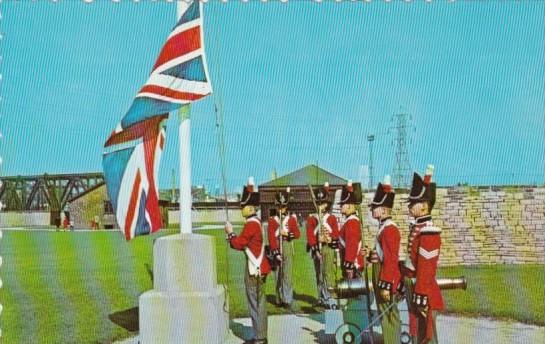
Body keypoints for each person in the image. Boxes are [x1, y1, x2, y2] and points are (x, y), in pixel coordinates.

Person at [225, 177, 271, 344]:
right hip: (259, 267)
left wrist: (230, 233)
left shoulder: (251, 224)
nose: (241, 209)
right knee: (260, 303)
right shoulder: (256, 222)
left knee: (255, 303)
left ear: (250, 208)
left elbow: (239, 243)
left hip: (254, 268)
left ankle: (259, 338)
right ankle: (261, 335)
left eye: (243, 206)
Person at [401, 165, 444, 344]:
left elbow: (426, 268)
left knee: (427, 336)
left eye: (413, 203)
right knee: (418, 333)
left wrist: (421, 293)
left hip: (425, 290)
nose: (410, 206)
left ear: (424, 206)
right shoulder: (418, 228)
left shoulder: (429, 232)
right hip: (416, 286)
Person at [368, 175, 401, 344]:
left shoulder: (389, 229)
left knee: (389, 314)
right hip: (380, 274)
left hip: (385, 276)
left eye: (375, 207)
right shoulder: (383, 228)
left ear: (384, 209)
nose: (372, 210)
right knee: (384, 313)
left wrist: (386, 285)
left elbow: (390, 260)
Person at [306, 182, 340, 308]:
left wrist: (328, 238)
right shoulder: (312, 219)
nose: (321, 206)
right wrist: (315, 249)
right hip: (317, 250)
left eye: (323, 203)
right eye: (319, 203)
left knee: (328, 273)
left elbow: (336, 234)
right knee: (318, 274)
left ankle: (329, 298)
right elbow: (310, 236)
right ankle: (320, 297)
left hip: (328, 249)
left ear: (326, 204)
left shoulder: (331, 219)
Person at [267, 187, 300, 311]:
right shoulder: (272, 221)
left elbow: (297, 234)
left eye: (283, 207)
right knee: (278, 275)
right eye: (279, 207)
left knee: (287, 274)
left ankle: (287, 299)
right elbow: (270, 237)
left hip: (287, 245)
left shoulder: (291, 219)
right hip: (276, 246)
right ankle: (279, 298)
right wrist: (275, 253)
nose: (281, 210)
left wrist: (287, 233)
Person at [338, 180, 365, 279]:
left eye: (342, 204)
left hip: (353, 265)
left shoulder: (352, 222)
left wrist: (349, 265)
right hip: (351, 264)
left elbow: (352, 245)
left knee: (354, 292)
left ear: (349, 205)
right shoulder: (350, 221)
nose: (340, 206)